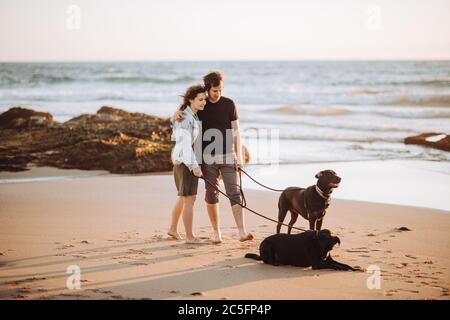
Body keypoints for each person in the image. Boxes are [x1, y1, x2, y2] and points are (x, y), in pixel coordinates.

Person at [172, 71, 253, 244]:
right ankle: (216, 233)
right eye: (215, 90)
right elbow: (184, 113)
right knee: (211, 194)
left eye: (221, 90)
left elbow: (236, 132)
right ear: (208, 89)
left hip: (228, 155)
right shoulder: (202, 103)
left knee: (235, 192)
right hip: (207, 157)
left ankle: (242, 232)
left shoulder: (229, 104)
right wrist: (174, 116)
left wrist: (239, 157)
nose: (218, 93)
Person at [168, 84, 206, 244]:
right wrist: (194, 166)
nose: (204, 102)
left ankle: (173, 229)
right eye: (200, 99)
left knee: (184, 198)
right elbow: (184, 144)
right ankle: (190, 237)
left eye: (205, 99)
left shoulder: (192, 116)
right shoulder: (186, 118)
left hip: (183, 161)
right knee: (190, 199)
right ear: (191, 100)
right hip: (185, 162)